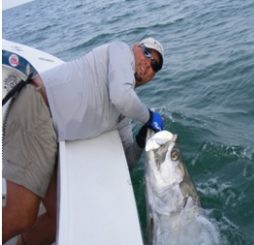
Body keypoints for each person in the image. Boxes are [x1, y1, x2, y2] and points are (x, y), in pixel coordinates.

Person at [2, 37, 165, 244]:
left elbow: (127, 160)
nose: (148, 63)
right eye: (147, 53)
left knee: (58, 219)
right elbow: (122, 97)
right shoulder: (120, 50)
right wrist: (150, 117)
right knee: (21, 216)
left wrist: (141, 141)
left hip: (49, 134)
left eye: (155, 65)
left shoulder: (121, 116)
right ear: (135, 48)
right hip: (37, 107)